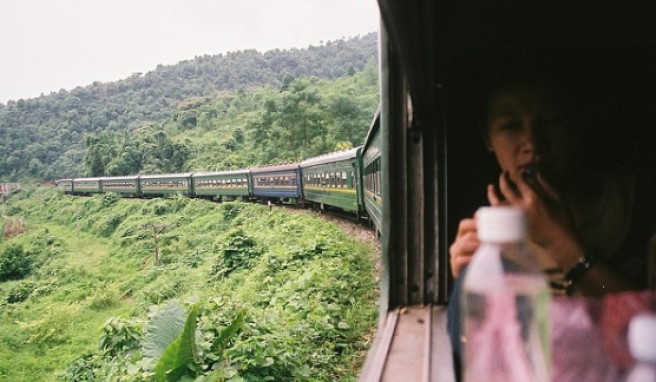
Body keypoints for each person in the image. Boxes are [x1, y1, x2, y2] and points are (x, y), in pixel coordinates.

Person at [446, 73, 656, 376]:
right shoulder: (480, 228)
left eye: (553, 121)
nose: (532, 143)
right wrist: (465, 284)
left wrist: (563, 245)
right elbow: (476, 351)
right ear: (487, 138)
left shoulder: (639, 204)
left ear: (577, 126)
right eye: (511, 126)